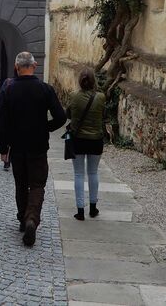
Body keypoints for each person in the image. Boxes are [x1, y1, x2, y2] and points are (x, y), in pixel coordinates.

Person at [0, 52, 66, 247]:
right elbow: (61, 116)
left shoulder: (9, 90)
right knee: (37, 184)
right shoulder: (45, 89)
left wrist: (3, 148)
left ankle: (22, 219)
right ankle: (31, 219)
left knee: (21, 183)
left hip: (17, 147)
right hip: (38, 146)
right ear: (34, 66)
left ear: (17, 68)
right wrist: (46, 127)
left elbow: (2, 122)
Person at [67, 67, 106, 221]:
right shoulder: (101, 97)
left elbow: (68, 114)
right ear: (93, 81)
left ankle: (80, 210)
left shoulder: (73, 96)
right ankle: (93, 207)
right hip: (96, 140)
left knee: (78, 174)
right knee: (93, 173)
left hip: (77, 140)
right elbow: (103, 115)